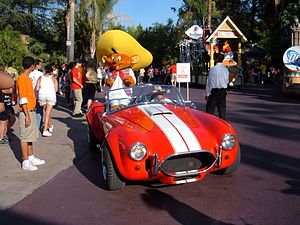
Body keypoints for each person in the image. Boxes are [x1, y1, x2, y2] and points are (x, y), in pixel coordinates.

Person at [16, 56, 45, 171]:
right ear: (32, 66)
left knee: (30, 136)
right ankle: (25, 161)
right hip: (26, 111)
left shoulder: (26, 78)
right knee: (25, 137)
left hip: (30, 110)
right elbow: (23, 99)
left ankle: (31, 157)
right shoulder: (23, 78)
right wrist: (27, 116)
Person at [205, 53, 229, 120]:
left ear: (216, 59)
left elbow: (210, 83)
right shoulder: (226, 70)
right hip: (223, 91)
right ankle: (223, 125)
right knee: (222, 110)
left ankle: (208, 123)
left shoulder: (213, 69)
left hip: (214, 91)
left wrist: (207, 94)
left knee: (210, 109)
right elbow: (226, 82)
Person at [36, 64, 58, 137]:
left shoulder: (40, 77)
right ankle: (45, 130)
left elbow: (37, 88)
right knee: (47, 113)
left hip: (42, 95)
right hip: (50, 95)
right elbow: (56, 89)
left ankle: (49, 125)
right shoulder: (53, 78)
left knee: (46, 112)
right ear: (51, 71)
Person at [29, 59, 44, 130]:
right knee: (39, 110)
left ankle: (32, 124)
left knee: (32, 110)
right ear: (36, 65)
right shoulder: (40, 74)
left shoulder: (30, 73)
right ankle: (38, 125)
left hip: (31, 94)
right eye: (40, 64)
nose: (41, 66)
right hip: (38, 94)